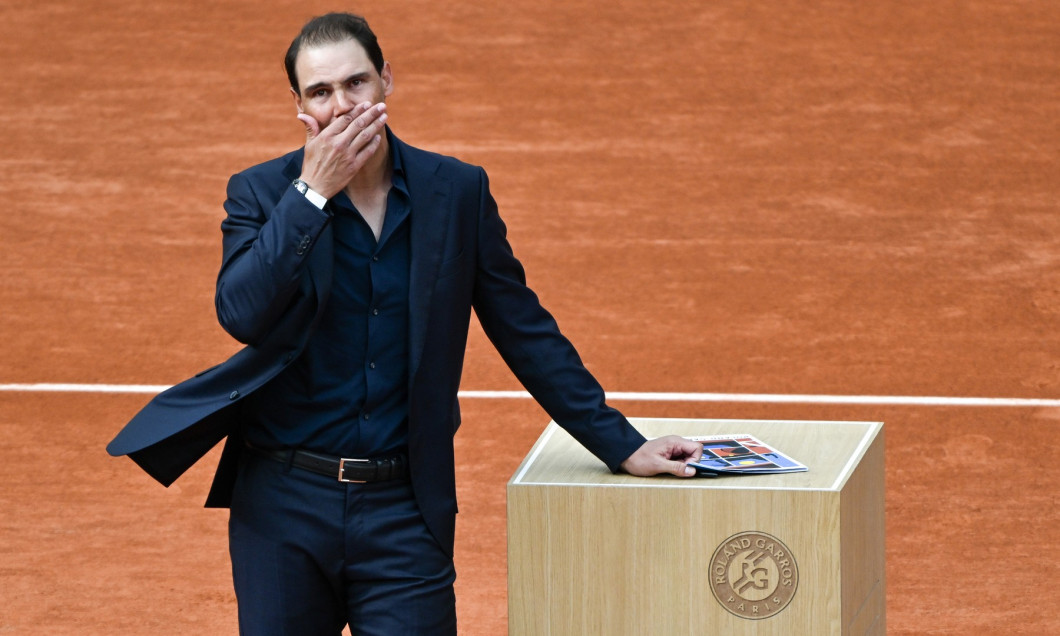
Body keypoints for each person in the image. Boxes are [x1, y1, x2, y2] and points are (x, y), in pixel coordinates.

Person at [107, 12, 703, 635]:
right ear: (299, 105)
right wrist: (311, 193)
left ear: (387, 79)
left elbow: (523, 328)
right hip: (282, 507)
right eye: (321, 91)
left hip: (403, 508)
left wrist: (622, 444)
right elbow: (242, 314)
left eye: (356, 83)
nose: (343, 106)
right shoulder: (259, 193)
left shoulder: (457, 193)